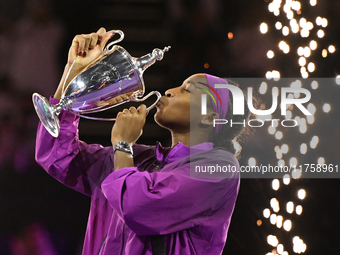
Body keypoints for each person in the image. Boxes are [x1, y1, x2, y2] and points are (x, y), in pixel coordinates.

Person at [35, 27, 250, 255]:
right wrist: (74, 72)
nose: (169, 91)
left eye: (188, 90)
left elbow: (138, 207)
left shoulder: (219, 168)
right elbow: (56, 157)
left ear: (209, 118)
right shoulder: (140, 158)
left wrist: (123, 145)